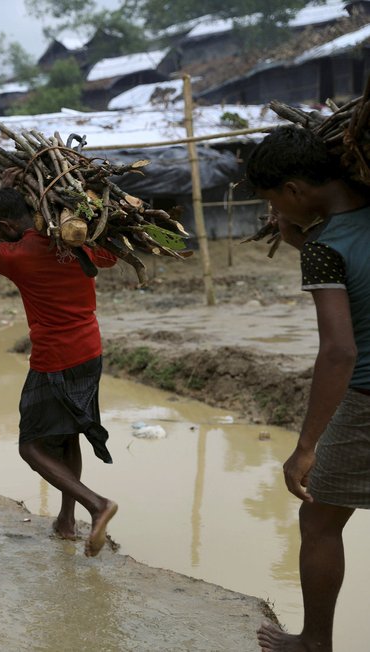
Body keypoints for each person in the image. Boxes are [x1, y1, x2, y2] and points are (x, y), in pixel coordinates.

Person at [246, 126, 370, 652]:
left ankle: (316, 642)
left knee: (318, 518)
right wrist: (302, 237)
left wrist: (306, 445)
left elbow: (340, 351)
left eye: (274, 200)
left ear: (295, 191)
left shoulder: (325, 247)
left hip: (366, 397)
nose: (274, 212)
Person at [0, 186, 119, 557]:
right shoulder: (76, 240)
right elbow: (110, 255)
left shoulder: (18, 254)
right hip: (91, 351)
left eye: (1, 230)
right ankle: (65, 520)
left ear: (6, 224)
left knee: (30, 446)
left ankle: (97, 505)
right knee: (69, 434)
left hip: (54, 359)